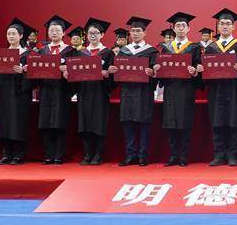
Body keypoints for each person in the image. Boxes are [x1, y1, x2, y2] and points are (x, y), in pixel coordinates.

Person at [109, 16, 158, 166]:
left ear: (144, 32)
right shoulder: (123, 51)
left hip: (144, 92)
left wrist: (153, 73)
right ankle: (130, 155)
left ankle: (143, 156)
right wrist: (113, 71)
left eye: (138, 31)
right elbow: (116, 75)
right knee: (128, 123)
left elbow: (156, 73)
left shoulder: (151, 51)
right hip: (127, 93)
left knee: (144, 124)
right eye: (133, 31)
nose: (135, 33)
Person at [203, 8, 237, 167]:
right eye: (222, 23)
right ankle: (219, 154)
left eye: (228, 23)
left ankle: (232, 154)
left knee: (234, 121)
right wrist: (203, 69)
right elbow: (206, 73)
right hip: (216, 91)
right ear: (218, 26)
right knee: (218, 121)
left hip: (235, 90)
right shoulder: (211, 47)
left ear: (233, 26)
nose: (225, 26)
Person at [69, 17, 114, 165]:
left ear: (102, 35)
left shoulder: (108, 53)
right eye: (90, 33)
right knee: (85, 123)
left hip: (100, 94)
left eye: (96, 33)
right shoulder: (80, 53)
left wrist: (107, 74)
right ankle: (87, 154)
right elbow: (75, 74)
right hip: (84, 93)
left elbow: (113, 76)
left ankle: (98, 155)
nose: (93, 36)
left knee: (98, 123)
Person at [158, 12, 201, 166]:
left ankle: (183, 156)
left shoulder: (194, 48)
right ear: (174, 29)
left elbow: (198, 68)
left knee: (184, 123)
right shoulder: (166, 48)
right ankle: (173, 155)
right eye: (178, 26)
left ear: (188, 28)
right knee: (170, 123)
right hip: (170, 89)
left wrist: (195, 71)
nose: (181, 28)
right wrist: (158, 70)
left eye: (183, 26)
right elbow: (162, 69)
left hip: (186, 90)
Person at [0, 19, 32, 165]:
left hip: (20, 94)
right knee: (4, 122)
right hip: (4, 93)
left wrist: (23, 72)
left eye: (14, 34)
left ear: (21, 36)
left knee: (18, 122)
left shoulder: (28, 54)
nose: (11, 36)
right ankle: (6, 153)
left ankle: (19, 154)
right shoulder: (1, 54)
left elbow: (34, 78)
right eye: (8, 34)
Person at [34, 15, 75, 165]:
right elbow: (35, 73)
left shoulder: (71, 51)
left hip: (61, 91)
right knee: (45, 123)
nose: (54, 33)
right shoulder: (42, 51)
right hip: (45, 91)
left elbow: (76, 73)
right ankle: (48, 154)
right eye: (51, 30)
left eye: (57, 30)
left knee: (60, 122)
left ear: (64, 33)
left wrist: (68, 72)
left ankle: (59, 155)